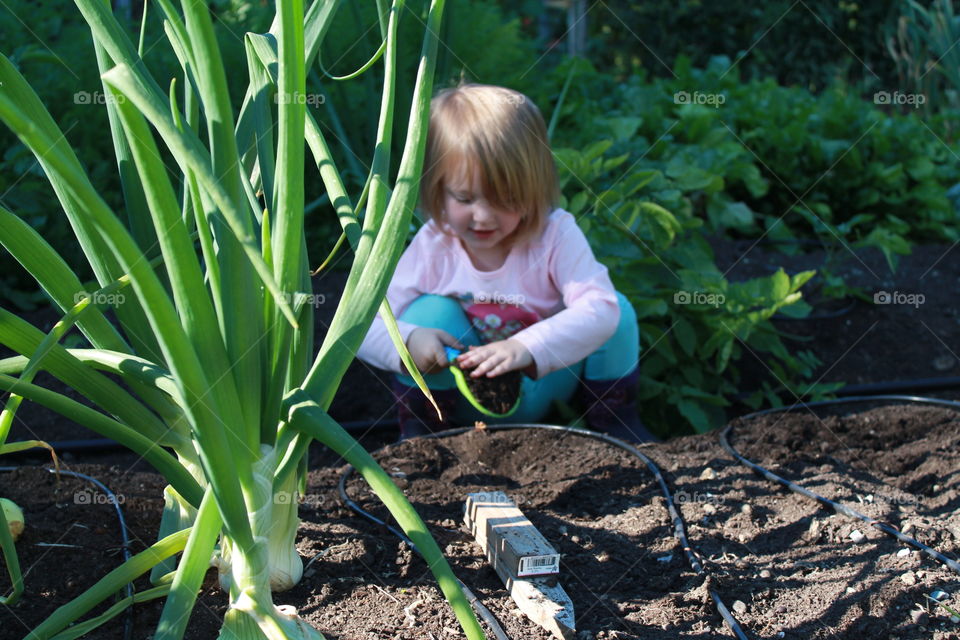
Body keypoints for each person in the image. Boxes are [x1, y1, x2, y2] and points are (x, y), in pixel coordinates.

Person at [357, 83, 655, 443]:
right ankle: (423, 437)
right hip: (461, 400)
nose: (482, 216)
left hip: (541, 387)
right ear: (438, 188)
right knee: (425, 314)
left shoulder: (553, 235)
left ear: (532, 191)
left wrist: (525, 347)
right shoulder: (436, 244)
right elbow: (362, 325)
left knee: (616, 310)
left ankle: (614, 425)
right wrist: (409, 342)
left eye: (505, 199)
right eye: (464, 197)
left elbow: (601, 310)